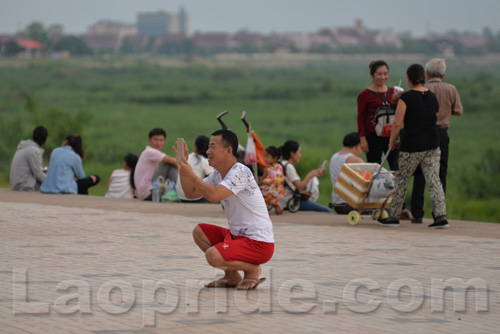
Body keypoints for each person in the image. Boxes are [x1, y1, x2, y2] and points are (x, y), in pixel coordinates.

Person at [175, 129, 274, 290]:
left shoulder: (240, 172)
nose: (208, 151)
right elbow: (190, 193)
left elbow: (214, 196)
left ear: (228, 150)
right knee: (199, 232)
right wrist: (182, 167)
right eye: (208, 147)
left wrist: (191, 174)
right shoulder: (217, 175)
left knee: (212, 256)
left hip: (258, 243)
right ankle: (232, 275)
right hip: (237, 237)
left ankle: (252, 269)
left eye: (212, 146)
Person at [377, 64, 448, 229]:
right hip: (432, 143)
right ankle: (440, 216)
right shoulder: (432, 97)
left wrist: (392, 140)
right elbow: (433, 118)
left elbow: (397, 123)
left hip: (412, 145)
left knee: (402, 179)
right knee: (434, 180)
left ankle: (394, 216)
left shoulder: (406, 98)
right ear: (423, 77)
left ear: (408, 79)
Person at [357, 60, 412, 220]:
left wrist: (400, 100)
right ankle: (374, 207)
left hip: (393, 138)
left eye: (385, 74)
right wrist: (363, 139)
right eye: (379, 74)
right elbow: (360, 118)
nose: (383, 77)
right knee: (376, 172)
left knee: (397, 171)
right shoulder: (365, 95)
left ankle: (401, 208)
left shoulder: (394, 92)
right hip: (373, 137)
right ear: (372, 75)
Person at [410, 58, 463, 224]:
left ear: (426, 74)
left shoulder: (422, 88)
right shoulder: (451, 89)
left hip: (421, 133)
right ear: (444, 74)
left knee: (419, 173)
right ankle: (439, 214)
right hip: (441, 133)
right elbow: (458, 111)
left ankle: (417, 213)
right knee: (440, 174)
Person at [279, 140, 331, 213]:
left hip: (283, 200)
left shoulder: (282, 164)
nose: (300, 155)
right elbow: (299, 187)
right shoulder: (289, 166)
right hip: (291, 201)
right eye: (299, 152)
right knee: (326, 210)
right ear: (292, 153)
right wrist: (310, 175)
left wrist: (313, 174)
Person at [134, 128, 177, 201]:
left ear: (164, 142)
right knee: (168, 165)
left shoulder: (149, 152)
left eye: (161, 140)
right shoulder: (150, 152)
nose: (158, 143)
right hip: (149, 192)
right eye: (155, 139)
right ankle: (175, 192)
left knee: (170, 165)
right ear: (149, 140)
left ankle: (174, 191)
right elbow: (174, 162)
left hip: (145, 193)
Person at [329, 132, 365, 214]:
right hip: (350, 205)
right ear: (357, 146)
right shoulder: (353, 159)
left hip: (337, 204)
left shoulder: (334, 157)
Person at [175, 135, 214, 203]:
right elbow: (214, 178)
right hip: (195, 199)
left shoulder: (187, 157)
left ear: (195, 146)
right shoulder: (204, 161)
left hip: (180, 197)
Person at [10, 126, 48, 191]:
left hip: (16, 184)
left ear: (33, 136)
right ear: (45, 140)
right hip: (24, 186)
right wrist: (53, 183)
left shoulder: (23, 147)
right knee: (48, 174)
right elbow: (38, 174)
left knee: (46, 173)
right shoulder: (34, 150)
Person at [259, 146, 285, 215]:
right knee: (274, 200)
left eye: (267, 157)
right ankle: (278, 208)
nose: (265, 159)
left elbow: (262, 180)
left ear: (275, 158)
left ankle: (265, 209)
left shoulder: (267, 169)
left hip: (267, 195)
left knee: (262, 193)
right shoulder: (280, 167)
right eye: (264, 157)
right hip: (279, 193)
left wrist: (258, 184)